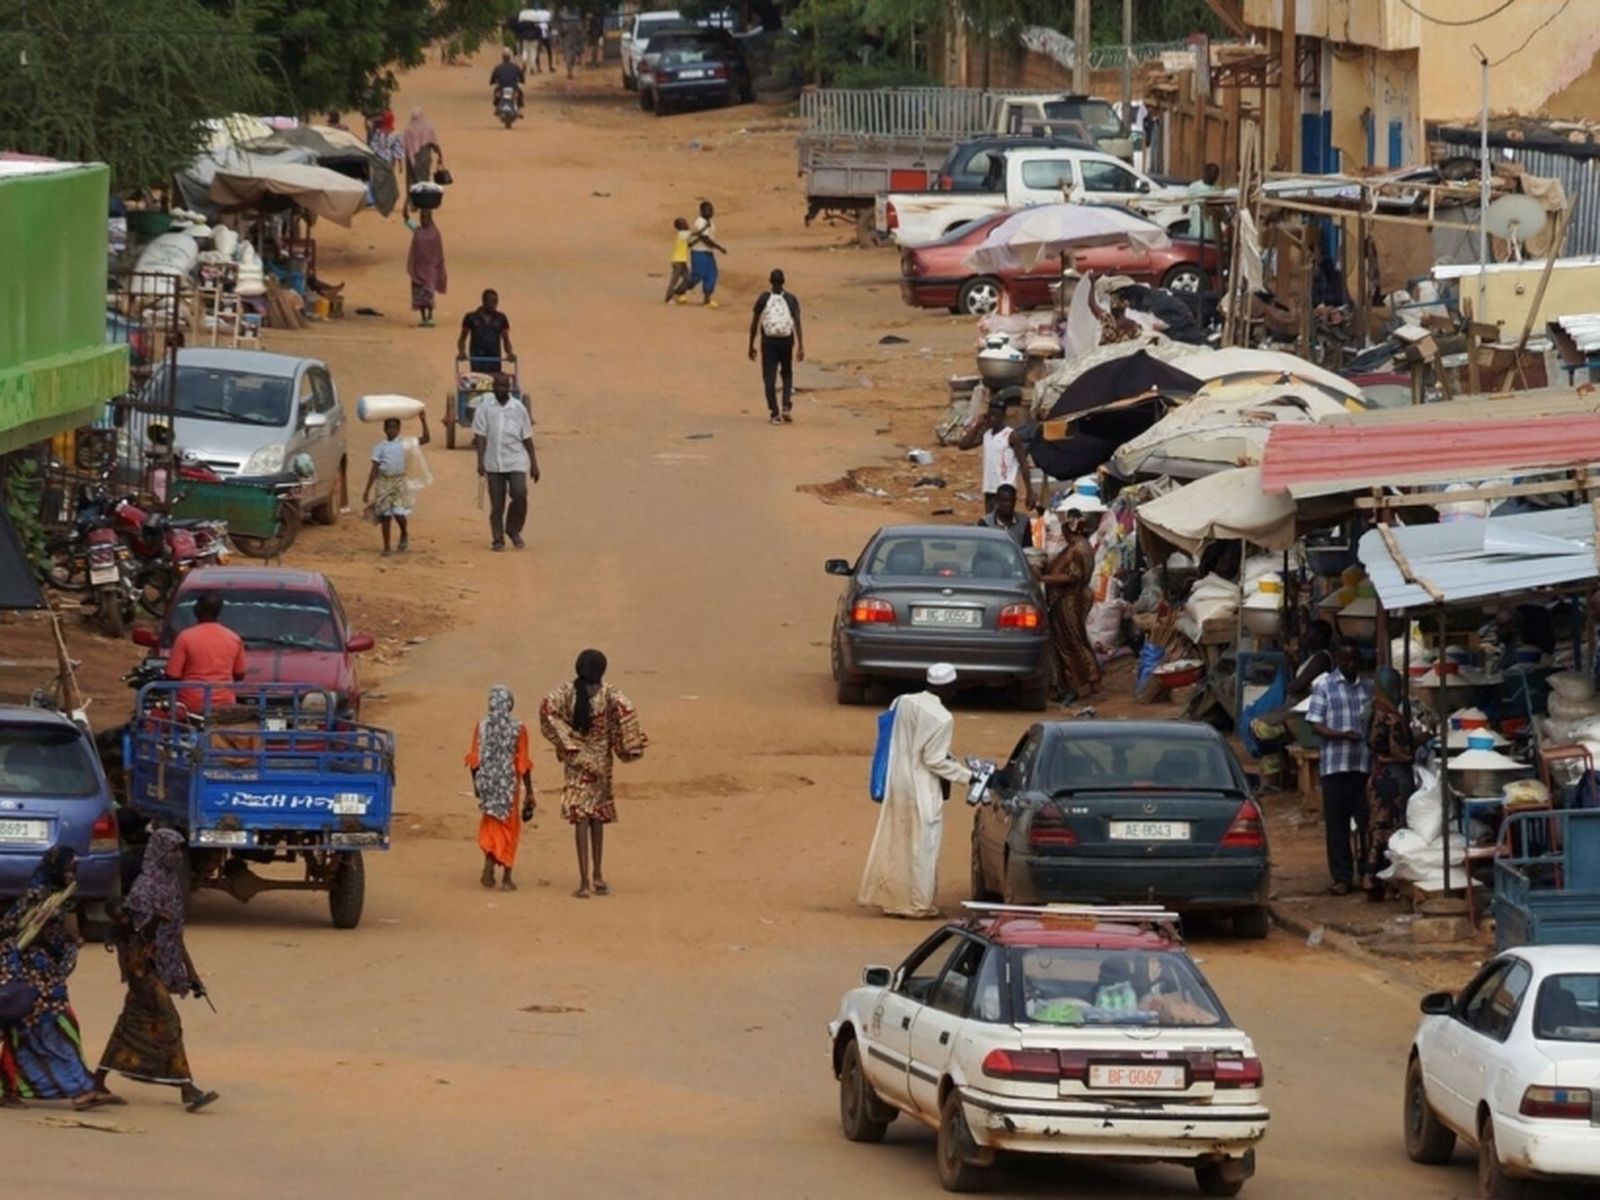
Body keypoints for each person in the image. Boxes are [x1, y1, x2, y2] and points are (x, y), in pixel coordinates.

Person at [94, 829, 218, 1113]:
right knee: (169, 1023)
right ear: (160, 851)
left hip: (161, 965)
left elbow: (175, 934)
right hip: (143, 969)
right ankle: (188, 1089)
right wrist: (137, 971)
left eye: (179, 850)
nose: (177, 856)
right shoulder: (144, 889)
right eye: (173, 850)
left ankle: (96, 1079)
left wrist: (191, 974)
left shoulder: (171, 884)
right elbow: (132, 934)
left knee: (129, 1025)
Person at [0, 848, 118, 1110]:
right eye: (67, 869)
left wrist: (69, 944)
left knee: (32, 1034)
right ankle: (80, 1090)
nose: (71, 874)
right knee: (52, 1030)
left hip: (47, 978)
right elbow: (10, 929)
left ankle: (11, 1088)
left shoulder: (61, 898)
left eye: (74, 869)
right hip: (32, 978)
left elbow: (62, 936)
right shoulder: (36, 897)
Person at [857, 663, 973, 919]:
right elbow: (934, 760)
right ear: (950, 688)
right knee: (924, 846)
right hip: (922, 788)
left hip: (897, 781)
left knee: (897, 840)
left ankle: (893, 901)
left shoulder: (903, 701)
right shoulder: (943, 718)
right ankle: (919, 904)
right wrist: (967, 776)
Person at [539, 650, 648, 899]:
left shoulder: (566, 692)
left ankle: (584, 882)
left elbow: (547, 711)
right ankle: (598, 876)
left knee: (581, 819)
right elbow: (628, 715)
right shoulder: (611, 693)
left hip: (576, 763)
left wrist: (567, 742)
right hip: (601, 765)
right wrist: (627, 747)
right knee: (598, 818)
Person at [1307, 642, 1375, 896]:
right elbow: (1315, 724)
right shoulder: (1323, 686)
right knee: (1337, 827)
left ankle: (1368, 872)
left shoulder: (1369, 688)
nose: (1349, 665)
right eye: (1345, 661)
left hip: (1363, 765)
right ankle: (1342, 878)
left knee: (1367, 822)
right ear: (1337, 660)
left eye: (1353, 660)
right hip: (1335, 766)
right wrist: (1340, 736)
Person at [466, 686, 536, 891]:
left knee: (491, 824)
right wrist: (529, 792)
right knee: (509, 828)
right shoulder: (518, 728)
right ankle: (506, 876)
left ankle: (489, 861)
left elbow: (474, 760)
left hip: (487, 783)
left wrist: (476, 786)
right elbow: (523, 763)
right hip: (508, 786)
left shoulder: (481, 726)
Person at [1248, 619, 1334, 784]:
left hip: (1302, 710)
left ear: (1319, 637)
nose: (1305, 636)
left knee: (1262, 728)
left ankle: (1280, 770)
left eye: (1309, 633)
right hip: (1296, 705)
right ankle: (1279, 767)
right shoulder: (1314, 657)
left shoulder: (1322, 658)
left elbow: (1298, 685)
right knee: (1259, 727)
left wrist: (1291, 686)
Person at [1039, 507, 1101, 704]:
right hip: (1067, 600)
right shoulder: (1079, 546)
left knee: (1071, 641)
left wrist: (1044, 578)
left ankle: (1081, 682)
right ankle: (1084, 680)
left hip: (1070, 600)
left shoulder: (1078, 549)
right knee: (1075, 639)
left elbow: (1071, 577)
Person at [471, 374, 539, 552]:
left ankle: (513, 530)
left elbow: (527, 437)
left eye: (503, 386)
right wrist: (480, 461)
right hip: (493, 462)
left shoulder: (518, 408)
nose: (500, 390)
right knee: (497, 504)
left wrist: (534, 463)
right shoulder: (485, 408)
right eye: (497, 386)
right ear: (493, 388)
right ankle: (498, 539)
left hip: (516, 459)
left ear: (509, 388)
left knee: (519, 493)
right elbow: (480, 436)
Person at [1363, 667, 1415, 899]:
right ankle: (1384, 880)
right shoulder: (1392, 718)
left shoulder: (1373, 711)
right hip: (1393, 780)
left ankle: (1371, 879)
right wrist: (1419, 742)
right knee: (1390, 831)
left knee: (1376, 829)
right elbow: (1401, 753)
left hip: (1377, 775)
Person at [165, 591, 246, 715]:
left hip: (191, 704)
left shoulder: (185, 637)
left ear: (197, 609)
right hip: (225, 703)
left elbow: (172, 675)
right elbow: (240, 674)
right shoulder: (233, 638)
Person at [363, 412, 430, 556]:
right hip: (383, 482)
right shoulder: (380, 447)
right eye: (389, 427)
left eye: (394, 427)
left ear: (399, 429)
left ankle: (404, 533)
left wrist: (423, 421)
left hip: (399, 482)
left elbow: (426, 439)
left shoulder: (405, 444)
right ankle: (387, 546)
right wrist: (367, 489)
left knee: (399, 514)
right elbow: (374, 469)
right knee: (385, 516)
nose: (391, 430)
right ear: (384, 429)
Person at [957, 400, 1035, 512]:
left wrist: (1029, 491)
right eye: (990, 416)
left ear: (1003, 417)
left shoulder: (1011, 436)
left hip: (1005, 489)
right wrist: (977, 425)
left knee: (1002, 521)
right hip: (989, 487)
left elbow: (1023, 464)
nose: (993, 419)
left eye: (996, 416)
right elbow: (963, 445)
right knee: (990, 521)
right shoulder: (986, 435)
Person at [748, 268, 804, 425]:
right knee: (787, 374)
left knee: (769, 377)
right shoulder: (792, 299)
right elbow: (797, 323)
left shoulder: (763, 298)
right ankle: (786, 405)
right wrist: (801, 346)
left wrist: (751, 345)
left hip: (769, 342)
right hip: (787, 341)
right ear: (783, 281)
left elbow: (754, 323)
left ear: (770, 281)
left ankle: (774, 413)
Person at [670, 200, 727, 307]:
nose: (710, 212)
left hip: (708, 253)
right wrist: (718, 247)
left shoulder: (710, 223)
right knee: (696, 276)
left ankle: (707, 299)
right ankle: (678, 292)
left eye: (711, 210)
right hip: (699, 252)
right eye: (708, 210)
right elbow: (704, 238)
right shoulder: (700, 222)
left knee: (712, 274)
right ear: (701, 211)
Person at [405, 207, 447, 328]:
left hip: (430, 269)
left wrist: (437, 266)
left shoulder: (435, 233)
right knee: (419, 294)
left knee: (428, 293)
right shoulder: (417, 230)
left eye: (426, 218)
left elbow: (438, 251)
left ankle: (430, 315)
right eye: (421, 218)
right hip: (418, 268)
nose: (423, 220)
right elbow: (406, 217)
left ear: (430, 218)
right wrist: (407, 201)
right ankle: (423, 317)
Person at [457, 289, 515, 375]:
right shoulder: (471, 318)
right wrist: (462, 351)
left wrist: (509, 353)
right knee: (480, 383)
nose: (494, 305)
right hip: (477, 358)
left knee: (495, 382)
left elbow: (506, 339)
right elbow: (462, 338)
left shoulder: (501, 318)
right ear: (484, 301)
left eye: (496, 302)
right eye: (491, 302)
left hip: (494, 358)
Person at [975, 482, 1030, 548]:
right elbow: (981, 548)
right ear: (997, 501)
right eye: (1004, 501)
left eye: (1011, 501)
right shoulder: (986, 523)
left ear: (1015, 501)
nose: (1008, 504)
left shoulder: (1023, 522)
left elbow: (1027, 549)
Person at [401, 107, 444, 188]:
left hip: (411, 159)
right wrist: (440, 155)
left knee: (411, 180)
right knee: (424, 179)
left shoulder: (408, 130)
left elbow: (403, 146)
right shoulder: (428, 128)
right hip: (424, 157)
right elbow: (434, 143)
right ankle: (424, 197)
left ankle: (411, 199)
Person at [1187, 161, 1222, 241]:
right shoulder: (1194, 187)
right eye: (1212, 173)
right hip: (1197, 230)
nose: (1215, 176)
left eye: (1217, 173)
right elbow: (1186, 205)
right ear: (1206, 173)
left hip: (1212, 231)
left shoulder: (1218, 189)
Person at [490, 46, 526, 114]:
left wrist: (492, 82)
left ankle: (497, 107)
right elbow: (522, 78)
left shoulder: (498, 68)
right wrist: (522, 80)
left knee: (496, 92)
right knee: (520, 93)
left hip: (502, 88)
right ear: (510, 58)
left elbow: (492, 79)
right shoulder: (516, 67)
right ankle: (519, 110)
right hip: (513, 87)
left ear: (502, 58)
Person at [665, 217, 691, 303]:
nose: (687, 224)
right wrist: (705, 228)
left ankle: (677, 292)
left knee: (688, 278)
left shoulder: (682, 235)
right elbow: (695, 235)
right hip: (678, 261)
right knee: (674, 280)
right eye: (684, 223)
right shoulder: (683, 233)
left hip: (681, 260)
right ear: (681, 226)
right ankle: (668, 297)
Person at [559, 7, 585, 78]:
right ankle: (571, 71)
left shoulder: (565, 19)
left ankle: (569, 70)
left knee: (568, 55)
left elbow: (562, 30)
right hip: (574, 38)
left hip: (567, 39)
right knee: (573, 56)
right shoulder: (576, 19)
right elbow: (580, 29)